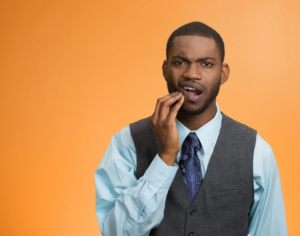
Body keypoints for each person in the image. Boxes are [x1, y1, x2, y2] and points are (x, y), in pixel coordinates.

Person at [95, 22, 287, 236]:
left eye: (206, 64)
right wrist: (165, 156)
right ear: (166, 70)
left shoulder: (257, 152)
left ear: (223, 73)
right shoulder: (127, 143)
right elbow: (115, 233)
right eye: (180, 62)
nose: (192, 74)